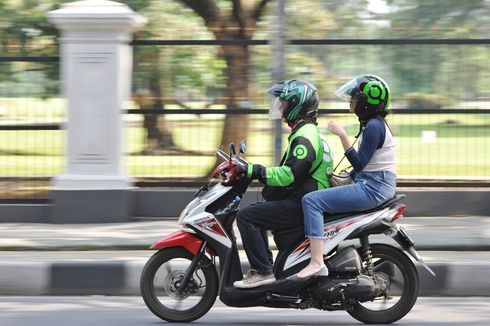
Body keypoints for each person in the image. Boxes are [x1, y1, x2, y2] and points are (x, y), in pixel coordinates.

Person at [292, 74, 397, 280]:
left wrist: (342, 134)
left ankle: (316, 262)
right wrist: (345, 178)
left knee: (311, 201)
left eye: (355, 99)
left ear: (366, 104)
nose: (351, 102)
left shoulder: (374, 127)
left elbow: (360, 162)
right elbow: (365, 166)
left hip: (373, 188)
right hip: (373, 184)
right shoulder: (373, 124)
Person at [232, 79, 334, 288]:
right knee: (256, 211)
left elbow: (289, 175)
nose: (279, 107)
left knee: (246, 216)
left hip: (303, 202)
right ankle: (267, 268)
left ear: (297, 105)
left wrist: (253, 170)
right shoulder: (307, 132)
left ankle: (263, 271)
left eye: (284, 103)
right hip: (304, 198)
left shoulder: (304, 137)